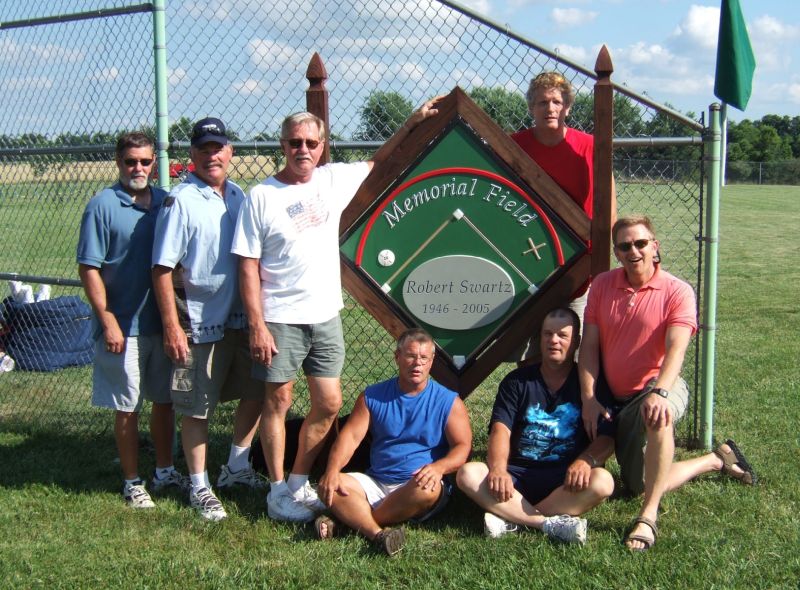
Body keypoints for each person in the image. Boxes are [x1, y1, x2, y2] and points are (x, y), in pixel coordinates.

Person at [232, 99, 442, 522]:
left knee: (328, 403)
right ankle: (276, 491)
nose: (302, 149)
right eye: (294, 142)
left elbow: (381, 159)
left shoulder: (331, 180)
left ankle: (298, 480)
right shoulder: (261, 197)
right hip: (280, 317)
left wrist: (412, 120)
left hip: (325, 315)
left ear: (323, 146)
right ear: (283, 145)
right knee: (279, 401)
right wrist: (257, 324)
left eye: (311, 142)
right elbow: (247, 264)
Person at [578, 215, 757, 551]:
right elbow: (588, 347)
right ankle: (715, 460)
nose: (634, 251)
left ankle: (648, 517)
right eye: (625, 246)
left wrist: (660, 391)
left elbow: (676, 351)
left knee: (658, 414)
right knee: (638, 483)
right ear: (617, 252)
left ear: (655, 245)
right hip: (611, 398)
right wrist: (588, 397)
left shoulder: (677, 291)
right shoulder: (601, 285)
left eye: (641, 243)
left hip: (658, 386)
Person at [151, 117, 265, 521]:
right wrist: (171, 326)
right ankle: (200, 486)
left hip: (241, 321)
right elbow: (162, 269)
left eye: (218, 147)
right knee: (196, 407)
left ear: (230, 153)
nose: (211, 155)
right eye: (203, 148)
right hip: (197, 323)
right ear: (192, 155)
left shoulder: (238, 195)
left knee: (256, 391)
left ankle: (236, 466)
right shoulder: (180, 200)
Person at [77, 131, 187, 508]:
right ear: (118, 162)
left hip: (162, 322)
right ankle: (132, 480)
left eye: (144, 161)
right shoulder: (102, 205)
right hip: (124, 326)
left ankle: (165, 470)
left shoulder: (164, 202)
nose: (137, 168)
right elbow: (88, 268)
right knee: (128, 405)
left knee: (164, 400)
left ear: (154, 163)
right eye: (130, 162)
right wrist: (106, 318)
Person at [457, 308, 614, 545]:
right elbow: (501, 430)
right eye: (547, 334)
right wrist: (498, 469)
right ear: (539, 339)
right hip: (515, 477)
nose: (554, 340)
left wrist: (586, 461)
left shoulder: (591, 385)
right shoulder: (517, 381)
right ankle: (546, 523)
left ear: (577, 341)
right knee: (468, 474)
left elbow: (607, 437)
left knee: (603, 481)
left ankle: (512, 519)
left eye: (562, 335)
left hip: (565, 479)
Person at [314, 328, 471, 556]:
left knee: (427, 489)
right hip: (376, 480)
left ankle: (350, 520)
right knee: (330, 483)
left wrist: (439, 468)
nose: (417, 363)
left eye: (424, 358)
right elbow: (350, 438)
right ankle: (378, 534)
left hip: (417, 483)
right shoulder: (372, 396)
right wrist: (332, 470)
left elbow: (463, 446)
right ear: (397, 357)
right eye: (410, 356)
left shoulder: (449, 401)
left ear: (432, 361)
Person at [510, 71, 608, 365]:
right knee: (530, 351)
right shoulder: (514, 146)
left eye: (556, 101)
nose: (549, 108)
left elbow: (608, 203)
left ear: (567, 107)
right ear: (531, 108)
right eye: (541, 102)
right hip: (529, 264)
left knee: (576, 350)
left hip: (579, 265)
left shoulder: (590, 146)